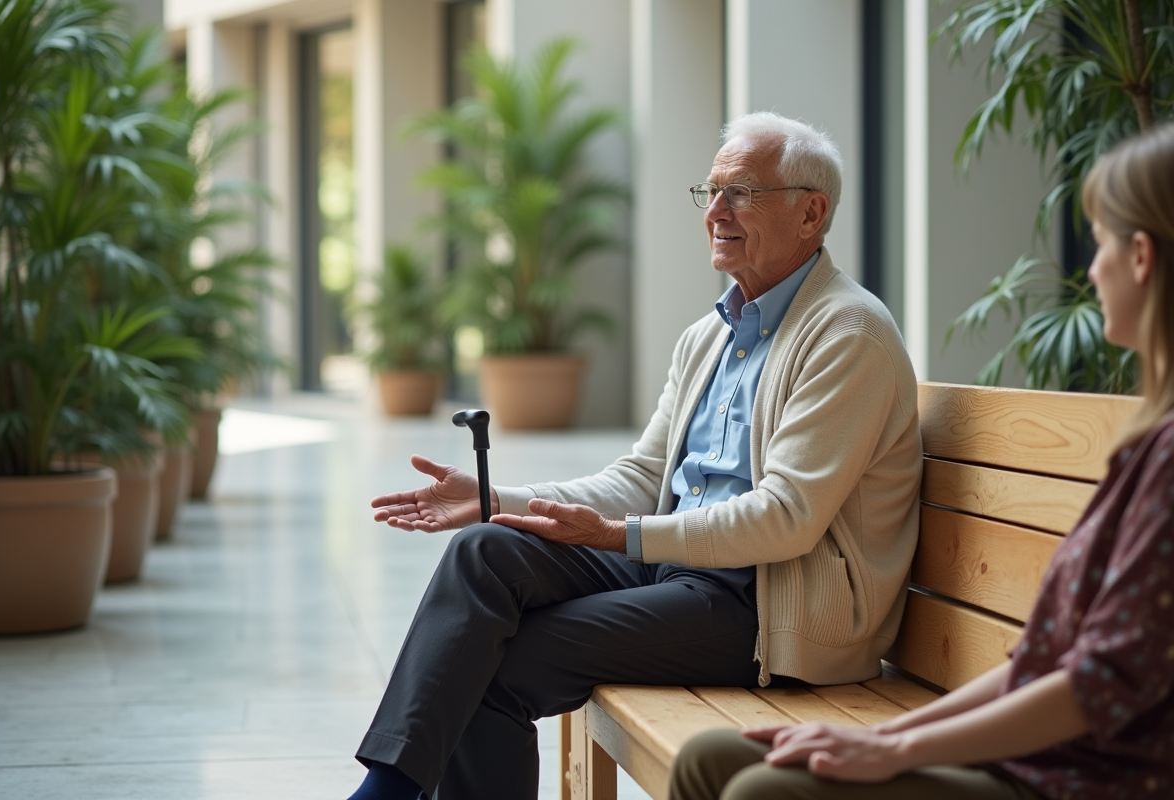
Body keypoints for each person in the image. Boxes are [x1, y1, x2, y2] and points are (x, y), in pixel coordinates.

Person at [347, 111, 922, 800]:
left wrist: (620, 537)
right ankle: (387, 788)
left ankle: (384, 795)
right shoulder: (711, 335)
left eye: (739, 192)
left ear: (811, 212)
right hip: (678, 572)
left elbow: (787, 518)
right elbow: (644, 478)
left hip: (769, 609)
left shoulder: (847, 333)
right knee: (485, 549)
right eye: (708, 192)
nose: (715, 212)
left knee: (496, 664)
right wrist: (501, 501)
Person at [668, 123, 1174, 800]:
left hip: (1082, 778)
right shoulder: (1149, 443)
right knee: (710, 758)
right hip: (1037, 754)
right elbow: (1041, 660)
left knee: (763, 791)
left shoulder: (1165, 461)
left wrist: (899, 745)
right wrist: (883, 741)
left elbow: (1099, 684)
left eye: (1102, 242)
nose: (1091, 268)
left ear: (1141, 257)